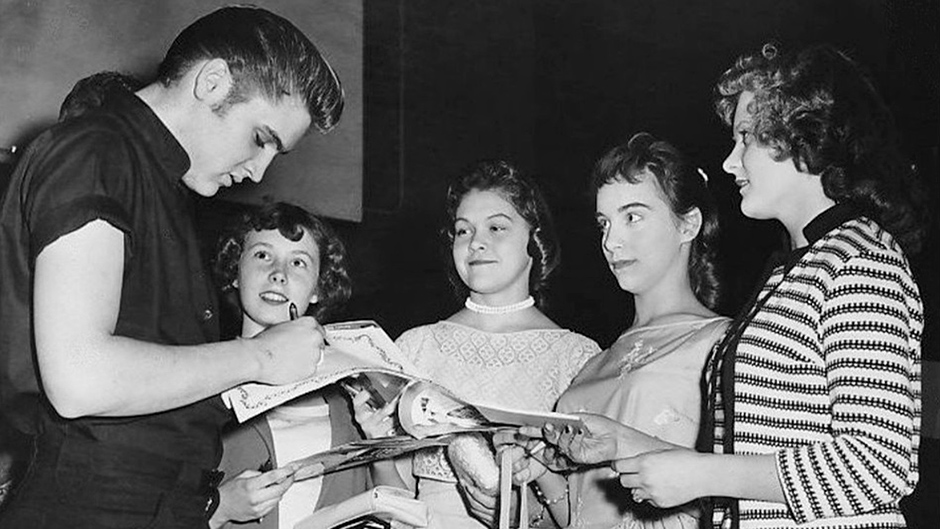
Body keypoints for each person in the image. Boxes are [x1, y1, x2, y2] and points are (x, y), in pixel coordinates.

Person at [539, 44, 924, 529]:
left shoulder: (861, 260)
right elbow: (751, 464)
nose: (730, 162)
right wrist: (621, 442)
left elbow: (876, 465)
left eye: (746, 138)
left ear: (807, 135)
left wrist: (703, 473)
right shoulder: (793, 270)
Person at [0, 6, 343, 527]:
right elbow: (81, 380)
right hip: (96, 506)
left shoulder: (161, 185)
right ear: (211, 82)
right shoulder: (97, 151)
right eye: (261, 138)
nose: (258, 171)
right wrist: (258, 358)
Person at [354, 160, 601, 529]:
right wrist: (378, 446)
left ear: (535, 239)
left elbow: (587, 515)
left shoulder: (577, 358)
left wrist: (523, 516)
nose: (476, 243)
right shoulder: (415, 347)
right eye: (463, 231)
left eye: (497, 227)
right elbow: (397, 500)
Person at [510, 133, 730, 529]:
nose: (611, 241)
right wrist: (540, 473)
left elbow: (742, 499)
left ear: (688, 224)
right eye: (604, 223)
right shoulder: (594, 363)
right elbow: (579, 514)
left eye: (633, 216)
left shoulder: (723, 344)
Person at [209, 202, 370, 529]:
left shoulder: (355, 396)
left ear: (318, 288)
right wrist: (218, 509)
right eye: (263, 256)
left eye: (298, 262)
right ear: (235, 273)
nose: (278, 274)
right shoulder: (199, 378)